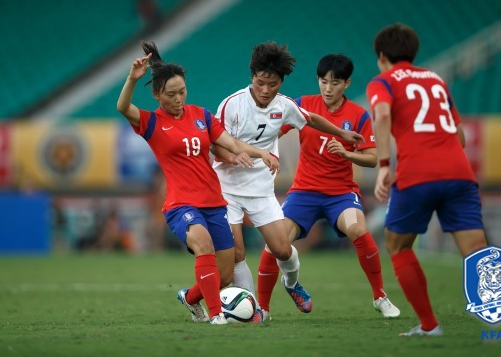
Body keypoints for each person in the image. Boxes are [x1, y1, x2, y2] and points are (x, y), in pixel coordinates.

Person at [117, 41, 279, 325]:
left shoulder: (202, 115)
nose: (178, 98)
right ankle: (216, 315)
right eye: (171, 94)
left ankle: (191, 298)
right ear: (157, 95)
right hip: (181, 204)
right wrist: (132, 79)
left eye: (182, 91)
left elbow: (229, 142)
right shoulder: (152, 123)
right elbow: (122, 107)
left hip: (215, 203)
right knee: (203, 244)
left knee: (225, 275)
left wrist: (259, 152)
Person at [212, 42, 363, 321]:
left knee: (282, 248)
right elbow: (216, 145)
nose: (266, 89)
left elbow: (312, 119)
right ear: (252, 77)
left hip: (260, 191)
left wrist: (342, 135)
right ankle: (254, 311)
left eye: (272, 84)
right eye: (260, 82)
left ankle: (292, 284)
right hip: (226, 189)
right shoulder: (232, 104)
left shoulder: (285, 106)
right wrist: (234, 158)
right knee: (237, 252)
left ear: (280, 82)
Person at [255, 53, 400, 318]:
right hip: (304, 192)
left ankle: (380, 296)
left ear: (347, 83)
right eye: (323, 81)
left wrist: (347, 154)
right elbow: (274, 130)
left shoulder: (358, 115)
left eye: (335, 82)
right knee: (275, 243)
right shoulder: (303, 105)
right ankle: (262, 309)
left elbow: (371, 158)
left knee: (358, 228)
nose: (328, 88)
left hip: (341, 193)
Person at [366, 23, 489, 336]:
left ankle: (429, 325)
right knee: (477, 250)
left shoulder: (383, 81)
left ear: (382, 56)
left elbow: (381, 115)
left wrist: (383, 165)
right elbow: (459, 135)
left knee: (397, 245)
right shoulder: (436, 79)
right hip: (459, 172)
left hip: (417, 173)